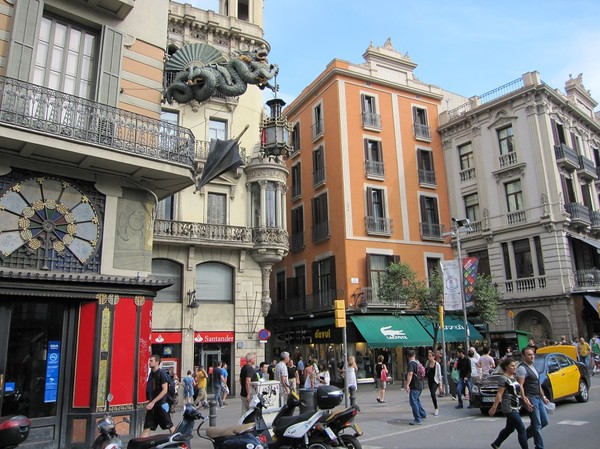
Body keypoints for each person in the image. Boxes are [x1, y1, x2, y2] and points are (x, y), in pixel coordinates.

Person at [489, 358, 528, 449]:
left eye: (515, 366)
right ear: (506, 367)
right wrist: (494, 407)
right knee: (521, 429)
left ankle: (496, 444)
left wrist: (525, 400)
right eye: (512, 366)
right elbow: (499, 393)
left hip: (516, 405)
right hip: (509, 407)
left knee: (510, 428)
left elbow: (519, 390)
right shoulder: (503, 379)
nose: (514, 368)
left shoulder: (512, 378)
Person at [517, 346, 549, 449]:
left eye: (533, 354)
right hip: (531, 398)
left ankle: (524, 436)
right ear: (524, 356)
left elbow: (537, 383)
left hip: (538, 398)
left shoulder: (532, 366)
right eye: (529, 355)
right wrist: (524, 399)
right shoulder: (522, 368)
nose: (532, 356)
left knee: (544, 421)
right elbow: (520, 385)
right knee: (537, 424)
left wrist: (543, 396)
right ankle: (539, 446)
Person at [141, 354, 175, 437]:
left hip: (161, 405)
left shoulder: (162, 374)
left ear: (157, 362)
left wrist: (153, 402)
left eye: (151, 361)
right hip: (153, 406)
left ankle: (180, 443)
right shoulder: (151, 374)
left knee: (170, 426)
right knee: (147, 427)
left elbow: (165, 390)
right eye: (149, 360)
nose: (149, 362)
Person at [405, 349, 426, 425]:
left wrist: (407, 384)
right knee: (417, 400)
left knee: (413, 401)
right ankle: (422, 414)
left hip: (414, 385)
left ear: (407, 356)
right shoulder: (418, 362)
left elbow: (410, 374)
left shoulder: (411, 364)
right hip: (420, 384)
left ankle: (418, 419)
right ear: (415, 355)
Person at [425, 351, 443, 416]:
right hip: (430, 381)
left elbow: (439, 375)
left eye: (430, 356)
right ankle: (435, 407)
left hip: (435, 381)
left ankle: (436, 408)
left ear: (433, 357)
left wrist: (440, 385)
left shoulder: (437, 364)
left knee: (433, 393)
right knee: (432, 395)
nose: (429, 357)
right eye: (428, 356)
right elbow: (426, 371)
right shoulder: (427, 363)